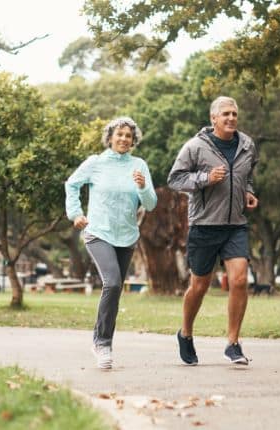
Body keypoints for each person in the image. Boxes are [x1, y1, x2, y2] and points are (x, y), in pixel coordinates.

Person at [168, 96, 259, 365]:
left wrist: (249, 192)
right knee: (199, 286)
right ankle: (185, 333)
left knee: (240, 279)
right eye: (226, 114)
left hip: (235, 226)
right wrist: (206, 178)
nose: (231, 118)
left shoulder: (247, 145)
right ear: (213, 118)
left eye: (234, 113)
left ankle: (233, 343)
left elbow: (247, 174)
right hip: (204, 226)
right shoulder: (195, 147)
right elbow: (175, 179)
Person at [65, 117, 157, 369]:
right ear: (110, 137)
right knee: (113, 283)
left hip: (127, 236)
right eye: (120, 134)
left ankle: (103, 339)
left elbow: (150, 203)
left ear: (133, 140)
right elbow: (72, 184)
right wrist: (76, 213)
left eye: (129, 136)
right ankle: (102, 343)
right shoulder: (95, 163)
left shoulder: (139, 165)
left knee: (114, 291)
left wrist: (142, 187)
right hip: (98, 233)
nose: (124, 139)